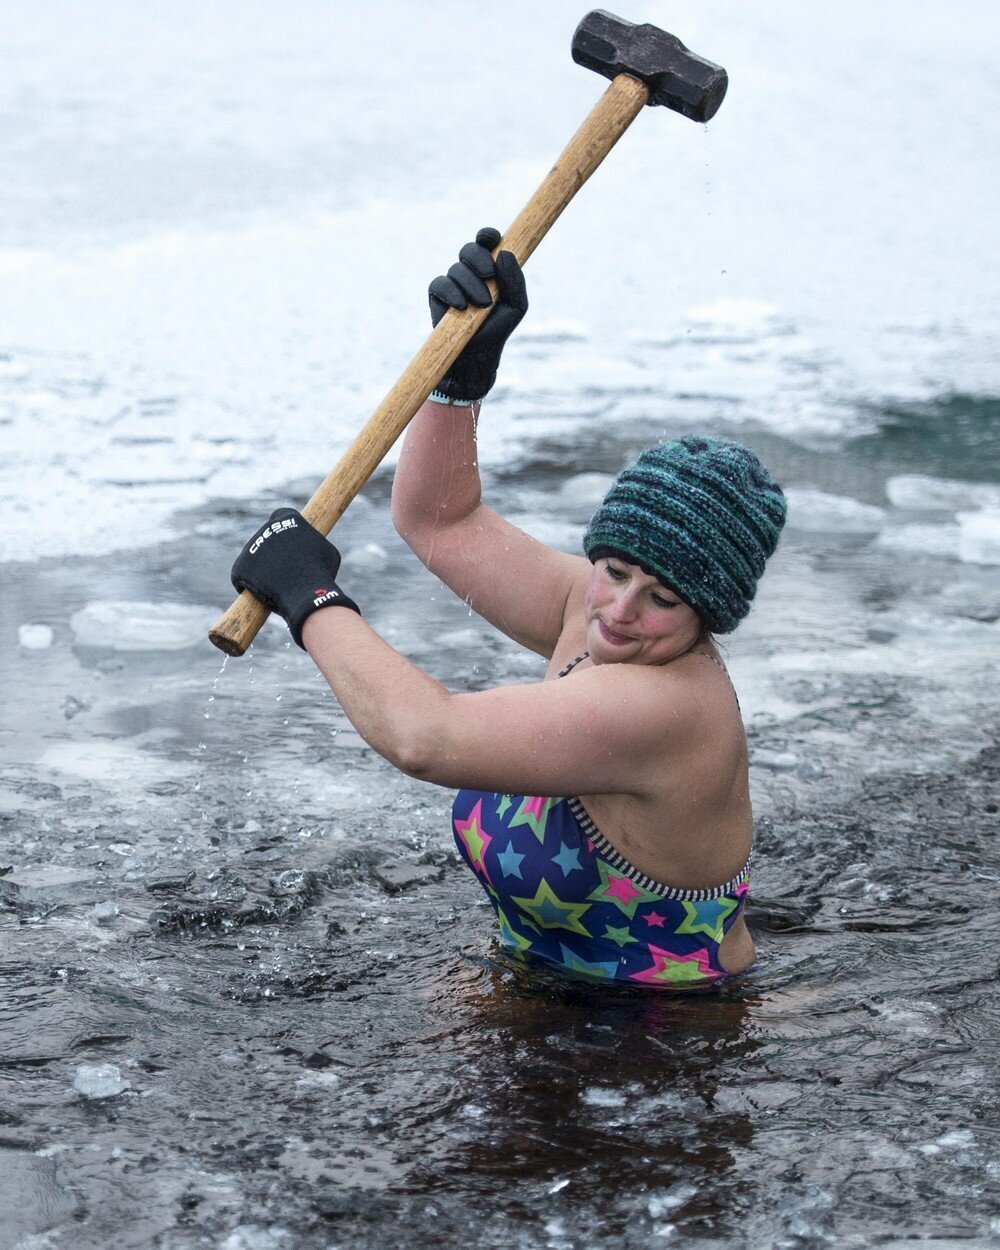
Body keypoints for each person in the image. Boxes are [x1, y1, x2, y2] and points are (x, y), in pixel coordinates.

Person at [231, 229, 787, 990]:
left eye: (662, 599)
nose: (620, 610)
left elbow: (427, 738)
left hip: (667, 1039)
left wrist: (311, 599)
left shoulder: (661, 707)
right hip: (551, 993)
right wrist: (457, 381)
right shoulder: (586, 612)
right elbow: (441, 520)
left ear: (710, 617)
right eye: (614, 570)